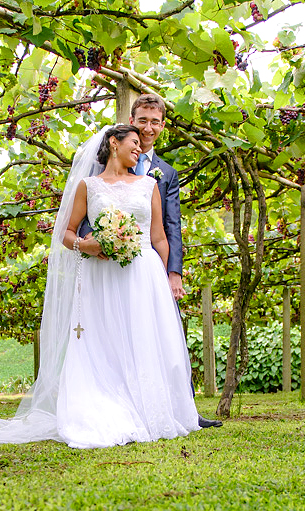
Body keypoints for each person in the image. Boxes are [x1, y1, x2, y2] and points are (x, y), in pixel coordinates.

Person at [0, 125, 201, 448]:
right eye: (133, 143)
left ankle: (149, 408)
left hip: (143, 274)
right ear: (113, 144)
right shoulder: (88, 187)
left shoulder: (149, 186)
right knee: (106, 342)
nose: (139, 149)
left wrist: (166, 276)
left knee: (143, 339)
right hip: (100, 275)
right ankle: (108, 407)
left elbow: (159, 237)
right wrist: (86, 246)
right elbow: (67, 232)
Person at [82, 94, 221, 428]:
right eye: (142, 120)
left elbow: (170, 226)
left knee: (162, 333)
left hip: (148, 266)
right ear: (132, 120)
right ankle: (117, 405)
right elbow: (87, 207)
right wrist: (96, 241)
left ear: (162, 126)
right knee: (114, 334)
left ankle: (180, 409)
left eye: (155, 121)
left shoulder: (166, 173)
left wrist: (174, 272)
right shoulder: (98, 165)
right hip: (106, 263)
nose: (148, 127)